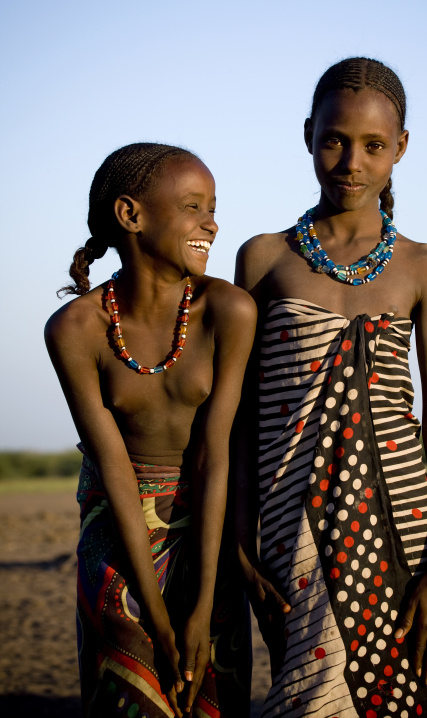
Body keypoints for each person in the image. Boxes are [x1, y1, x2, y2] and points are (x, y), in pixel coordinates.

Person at [235, 58, 427, 717]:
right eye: (334, 139)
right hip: (290, 525)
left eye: (373, 146)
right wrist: (245, 548)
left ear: (401, 149)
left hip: (402, 524)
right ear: (308, 133)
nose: (351, 163)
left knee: (405, 693)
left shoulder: (423, 266)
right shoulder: (263, 258)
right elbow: (244, 419)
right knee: (309, 697)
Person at [45, 142, 256, 718]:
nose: (211, 224)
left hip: (206, 531)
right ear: (130, 215)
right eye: (193, 206)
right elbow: (113, 469)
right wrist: (158, 622)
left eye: (213, 206)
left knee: (214, 690)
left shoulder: (228, 311)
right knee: (130, 693)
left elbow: (217, 455)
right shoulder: (76, 328)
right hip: (117, 535)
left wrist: (203, 600)